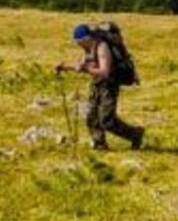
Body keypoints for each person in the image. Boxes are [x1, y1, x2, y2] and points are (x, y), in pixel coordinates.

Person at [55, 23, 145, 151]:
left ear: (85, 39)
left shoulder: (102, 47)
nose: (77, 44)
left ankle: (135, 134)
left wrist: (87, 69)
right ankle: (100, 145)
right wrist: (64, 67)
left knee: (106, 119)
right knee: (91, 117)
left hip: (109, 85)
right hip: (97, 83)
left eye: (78, 42)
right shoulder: (87, 47)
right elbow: (81, 64)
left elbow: (105, 71)